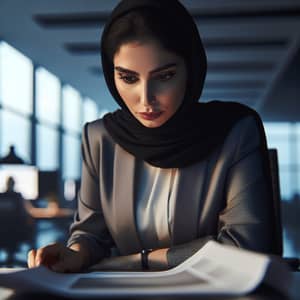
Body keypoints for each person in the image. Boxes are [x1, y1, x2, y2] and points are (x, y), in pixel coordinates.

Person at [27, 0, 277, 273]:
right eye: (128, 78)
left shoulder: (235, 130)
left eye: (165, 76)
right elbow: (90, 235)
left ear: (190, 70)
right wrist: (74, 254)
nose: (146, 99)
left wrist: (137, 260)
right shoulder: (100, 138)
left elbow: (244, 248)